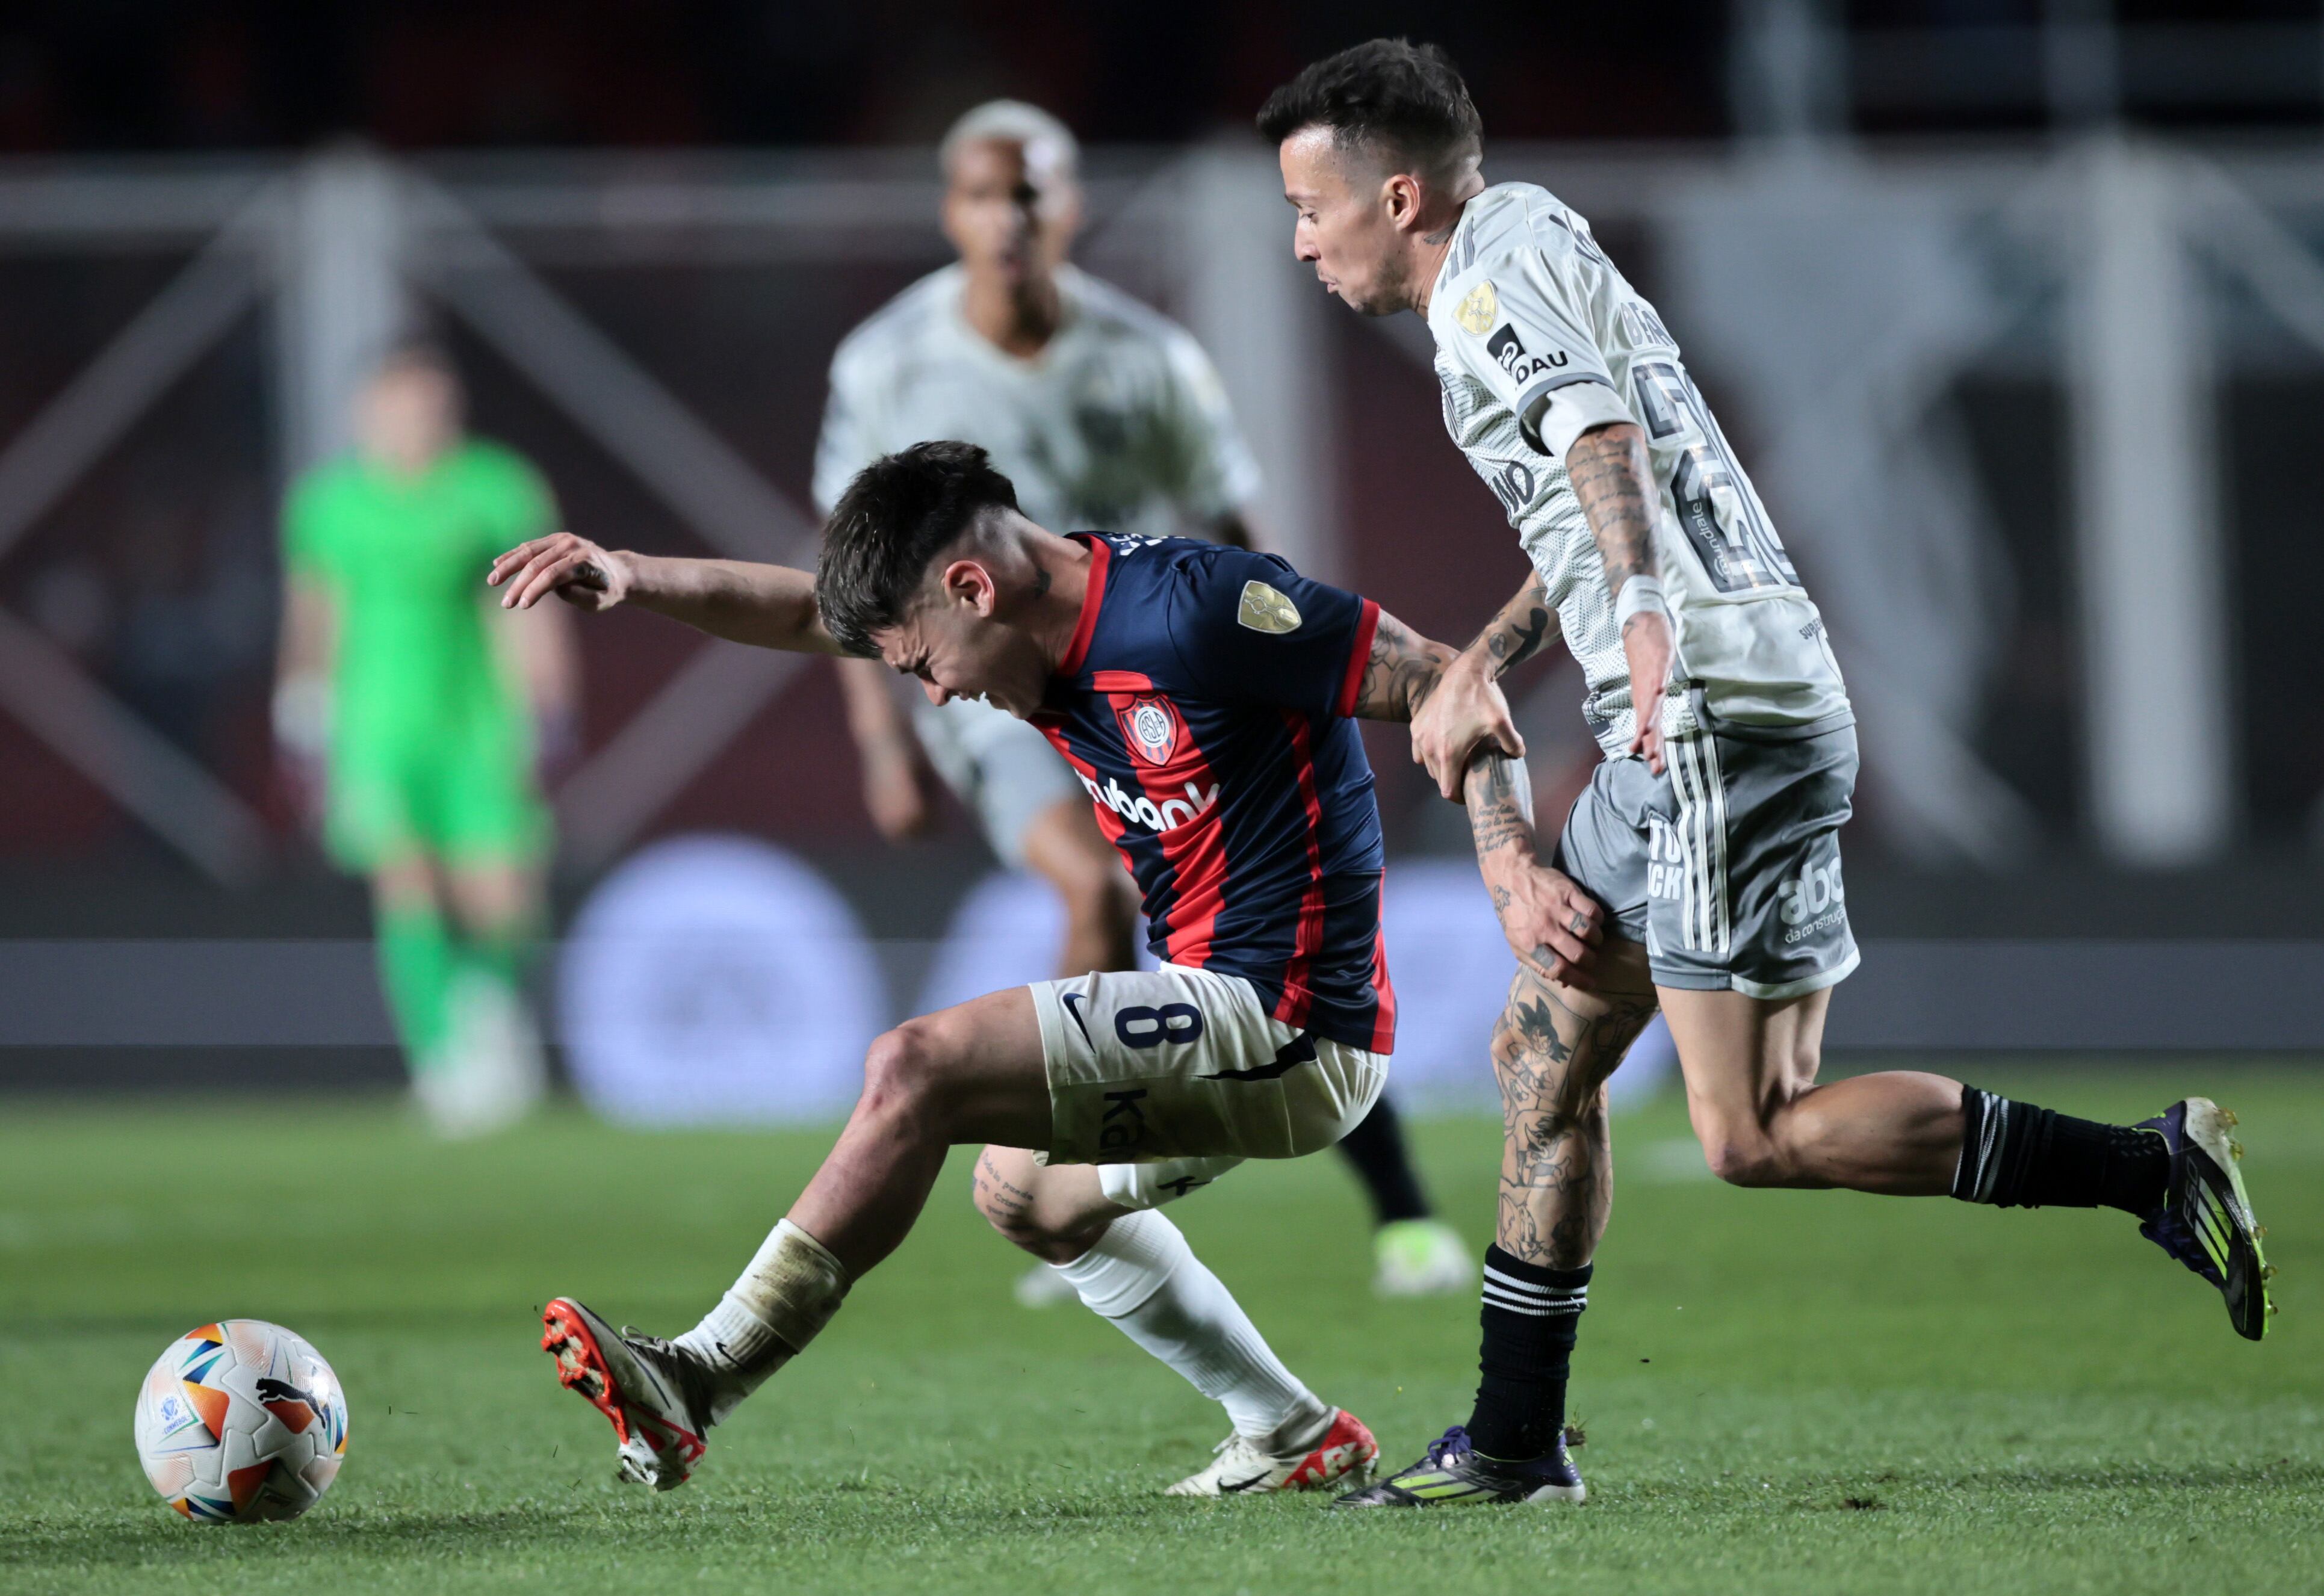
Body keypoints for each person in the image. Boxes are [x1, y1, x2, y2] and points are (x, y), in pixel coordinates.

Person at [1252, 39, 2273, 1509]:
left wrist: (1647, 613)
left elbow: (1600, 444)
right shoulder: (1534, 233)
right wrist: (1487, 654)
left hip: (1707, 718)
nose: (1299, 240)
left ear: (1395, 196)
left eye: (1309, 208)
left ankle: (2146, 1172)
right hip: (1749, 697)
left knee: (1745, 1134)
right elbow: (1600, 483)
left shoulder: (1478, 293)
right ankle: (1512, 1439)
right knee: (1545, 1048)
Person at [491, 442, 1482, 1495]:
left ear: (971, 585)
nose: (935, 696)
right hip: (1229, 1010)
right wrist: (635, 575)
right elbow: (795, 616)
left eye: (923, 666)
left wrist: (1517, 872)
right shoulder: (1032, 622)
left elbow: (1442, 680)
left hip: (1284, 1022)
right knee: (1025, 1193)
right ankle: (1290, 1429)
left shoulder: (1197, 612)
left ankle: (700, 1378)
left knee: (915, 1064)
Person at [817, 98, 1470, 1302]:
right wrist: (881, 738)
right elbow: (851, 583)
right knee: (1099, 888)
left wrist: (1294, 680)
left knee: (1267, 967)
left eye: (1033, 192)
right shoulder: (882, 361)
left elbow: (1233, 530)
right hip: (996, 684)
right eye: (981, 194)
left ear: (1068, 206)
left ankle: (1348, 1203)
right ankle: (1078, 1181)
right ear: (948, 211)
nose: (1008, 218)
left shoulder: (1147, 355)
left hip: (1159, 664)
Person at [275, 343, 573, 1136]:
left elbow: (528, 605)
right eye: (402, 405)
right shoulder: (328, 502)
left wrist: (545, 705)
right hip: (373, 724)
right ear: (367, 412)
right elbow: (315, 609)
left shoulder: (495, 485)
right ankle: (443, 1058)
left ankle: (490, 1012)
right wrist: (300, 700)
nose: (417, 422)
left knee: (499, 891)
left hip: (473, 718)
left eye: (432, 406)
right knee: (405, 879)